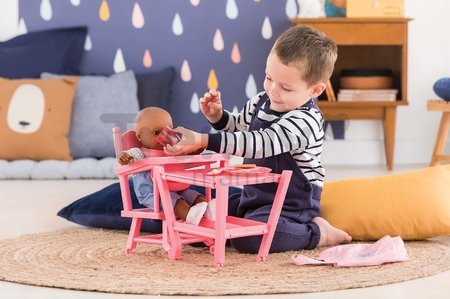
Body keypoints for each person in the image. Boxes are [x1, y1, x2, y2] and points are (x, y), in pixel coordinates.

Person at [164, 25, 352, 252]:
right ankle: (239, 225)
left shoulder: (305, 120)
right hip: (253, 197)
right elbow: (240, 129)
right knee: (203, 216)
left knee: (249, 239)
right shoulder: (262, 101)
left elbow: (260, 143)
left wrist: (204, 140)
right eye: (269, 78)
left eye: (285, 87)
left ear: (314, 90)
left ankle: (317, 233)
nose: (273, 90)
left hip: (291, 205)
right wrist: (219, 117)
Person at [117, 107, 214, 225]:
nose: (163, 137)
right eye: (157, 132)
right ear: (140, 136)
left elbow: (186, 155)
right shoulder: (140, 153)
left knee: (194, 196)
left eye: (168, 131)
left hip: (174, 187)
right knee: (176, 201)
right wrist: (124, 157)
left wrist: (194, 148)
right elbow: (129, 157)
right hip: (152, 193)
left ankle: (208, 211)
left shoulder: (171, 149)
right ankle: (190, 216)